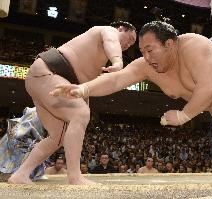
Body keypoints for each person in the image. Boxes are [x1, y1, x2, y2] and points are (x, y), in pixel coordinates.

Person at [50, 21, 212, 183]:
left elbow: (211, 86)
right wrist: (83, 88)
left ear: (170, 44)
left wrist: (183, 116)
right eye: (142, 51)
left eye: (150, 50)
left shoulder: (194, 45)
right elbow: (118, 78)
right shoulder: (147, 66)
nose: (146, 57)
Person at [8, 21, 136, 185]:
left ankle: (21, 174)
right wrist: (118, 62)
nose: (128, 44)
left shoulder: (98, 61)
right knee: (80, 113)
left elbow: (84, 89)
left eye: (132, 43)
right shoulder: (107, 30)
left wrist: (83, 112)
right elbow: (112, 41)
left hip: (47, 81)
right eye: (130, 38)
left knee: (57, 137)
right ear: (120, 29)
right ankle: (75, 176)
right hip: (49, 71)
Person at [0, 107, 48, 181]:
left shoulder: (26, 125)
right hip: (16, 144)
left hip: (23, 144)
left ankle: (25, 174)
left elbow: (37, 137)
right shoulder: (23, 125)